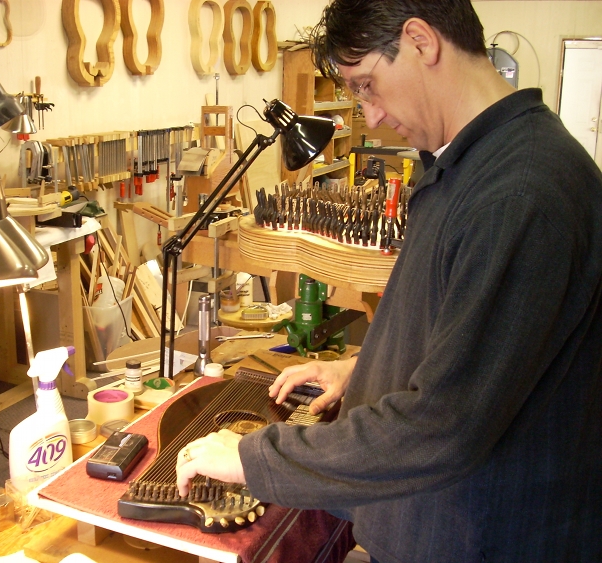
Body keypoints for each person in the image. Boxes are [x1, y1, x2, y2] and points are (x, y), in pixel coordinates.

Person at [176, 1, 602, 562]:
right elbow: (472, 334)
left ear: (421, 41)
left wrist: (254, 458)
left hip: (482, 539)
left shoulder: (517, 194)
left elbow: (444, 427)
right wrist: (363, 369)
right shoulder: (464, 166)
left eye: (368, 85)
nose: (370, 116)